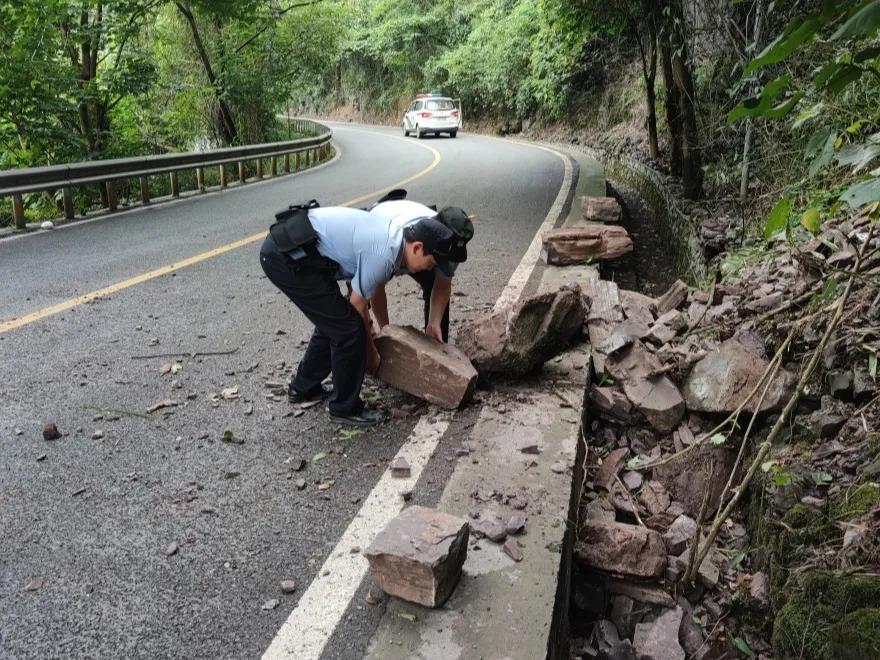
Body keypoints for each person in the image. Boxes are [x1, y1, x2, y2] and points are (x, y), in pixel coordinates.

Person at [259, 203, 461, 426]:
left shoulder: (395, 242)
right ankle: (344, 408)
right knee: (349, 328)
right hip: (286, 256)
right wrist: (370, 354)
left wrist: (382, 333)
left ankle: (303, 388)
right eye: (430, 263)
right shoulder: (385, 254)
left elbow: (367, 293)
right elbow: (358, 305)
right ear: (417, 248)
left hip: (297, 251)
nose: (428, 269)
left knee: (335, 320)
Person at [367, 198, 474, 343]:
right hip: (381, 227)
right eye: (437, 260)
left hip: (418, 243)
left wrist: (435, 323)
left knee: (433, 280)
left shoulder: (452, 248)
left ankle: (435, 342)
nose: (440, 264)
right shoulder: (389, 245)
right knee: (361, 295)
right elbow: (376, 289)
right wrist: (387, 332)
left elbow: (442, 285)